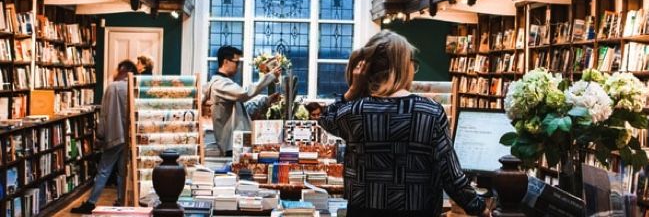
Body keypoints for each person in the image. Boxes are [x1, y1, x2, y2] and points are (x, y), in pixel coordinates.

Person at [318, 30, 489, 217]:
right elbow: (451, 174)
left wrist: (353, 89)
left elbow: (326, 117)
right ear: (401, 67)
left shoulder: (355, 112)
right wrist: (479, 207)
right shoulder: (429, 112)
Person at [71, 60, 138, 213]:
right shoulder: (133, 87)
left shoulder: (113, 88)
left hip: (114, 136)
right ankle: (121, 202)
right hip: (129, 138)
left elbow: (105, 114)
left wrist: (100, 136)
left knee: (104, 169)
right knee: (123, 172)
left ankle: (91, 202)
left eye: (116, 69)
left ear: (122, 70)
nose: (114, 73)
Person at [204, 46, 281, 156]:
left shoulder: (226, 82)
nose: (238, 67)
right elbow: (244, 93)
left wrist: (266, 101)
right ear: (225, 61)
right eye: (237, 62)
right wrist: (270, 76)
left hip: (237, 141)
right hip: (232, 143)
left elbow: (243, 109)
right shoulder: (219, 84)